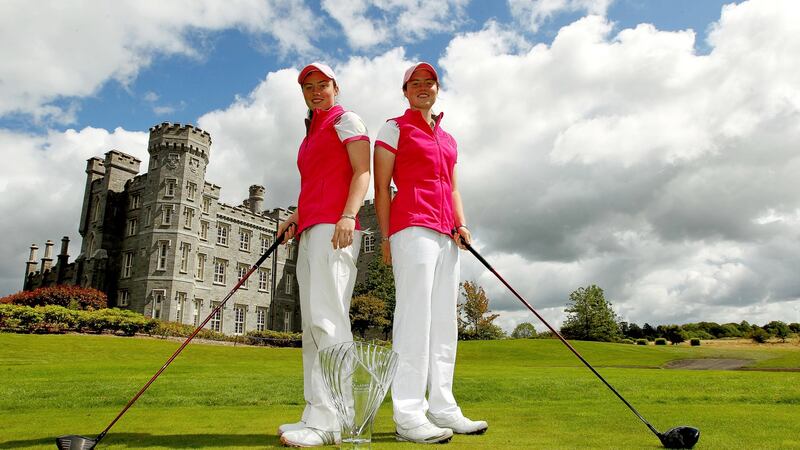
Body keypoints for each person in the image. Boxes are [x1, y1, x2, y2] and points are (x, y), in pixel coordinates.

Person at [373, 62, 488, 444]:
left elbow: (453, 188)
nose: (423, 87)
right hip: (411, 228)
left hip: (446, 233)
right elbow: (382, 187)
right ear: (405, 91)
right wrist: (387, 239)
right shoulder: (394, 128)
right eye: (415, 83)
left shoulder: (449, 139)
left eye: (430, 82)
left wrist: (463, 223)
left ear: (437, 89)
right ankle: (408, 414)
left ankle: (442, 407)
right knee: (415, 319)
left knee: (444, 323)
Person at [276, 62, 370, 448]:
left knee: (329, 323)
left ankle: (333, 419)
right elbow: (317, 183)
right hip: (312, 229)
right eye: (308, 86)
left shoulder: (345, 119)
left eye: (323, 85)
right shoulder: (311, 132)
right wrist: (295, 217)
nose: (316, 91)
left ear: (336, 87)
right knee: (313, 326)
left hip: (336, 230)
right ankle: (315, 412)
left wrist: (348, 215)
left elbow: (362, 171)